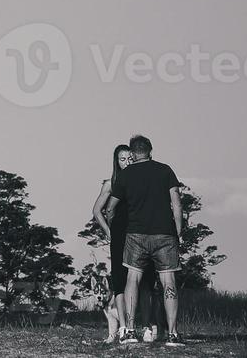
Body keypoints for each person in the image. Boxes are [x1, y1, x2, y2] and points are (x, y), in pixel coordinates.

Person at [105, 134, 186, 347]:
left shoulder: (126, 175)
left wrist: (114, 226)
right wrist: (178, 232)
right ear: (151, 150)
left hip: (136, 235)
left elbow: (110, 207)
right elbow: (177, 203)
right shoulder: (165, 170)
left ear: (132, 153)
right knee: (168, 282)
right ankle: (173, 335)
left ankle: (130, 331)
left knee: (133, 280)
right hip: (165, 234)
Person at [92, 145, 160, 343]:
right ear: (116, 162)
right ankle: (123, 328)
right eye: (122, 159)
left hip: (142, 236)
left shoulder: (142, 182)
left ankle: (148, 327)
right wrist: (109, 232)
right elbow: (97, 211)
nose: (126, 162)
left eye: (129, 158)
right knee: (120, 283)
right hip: (120, 237)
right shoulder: (110, 183)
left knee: (146, 281)